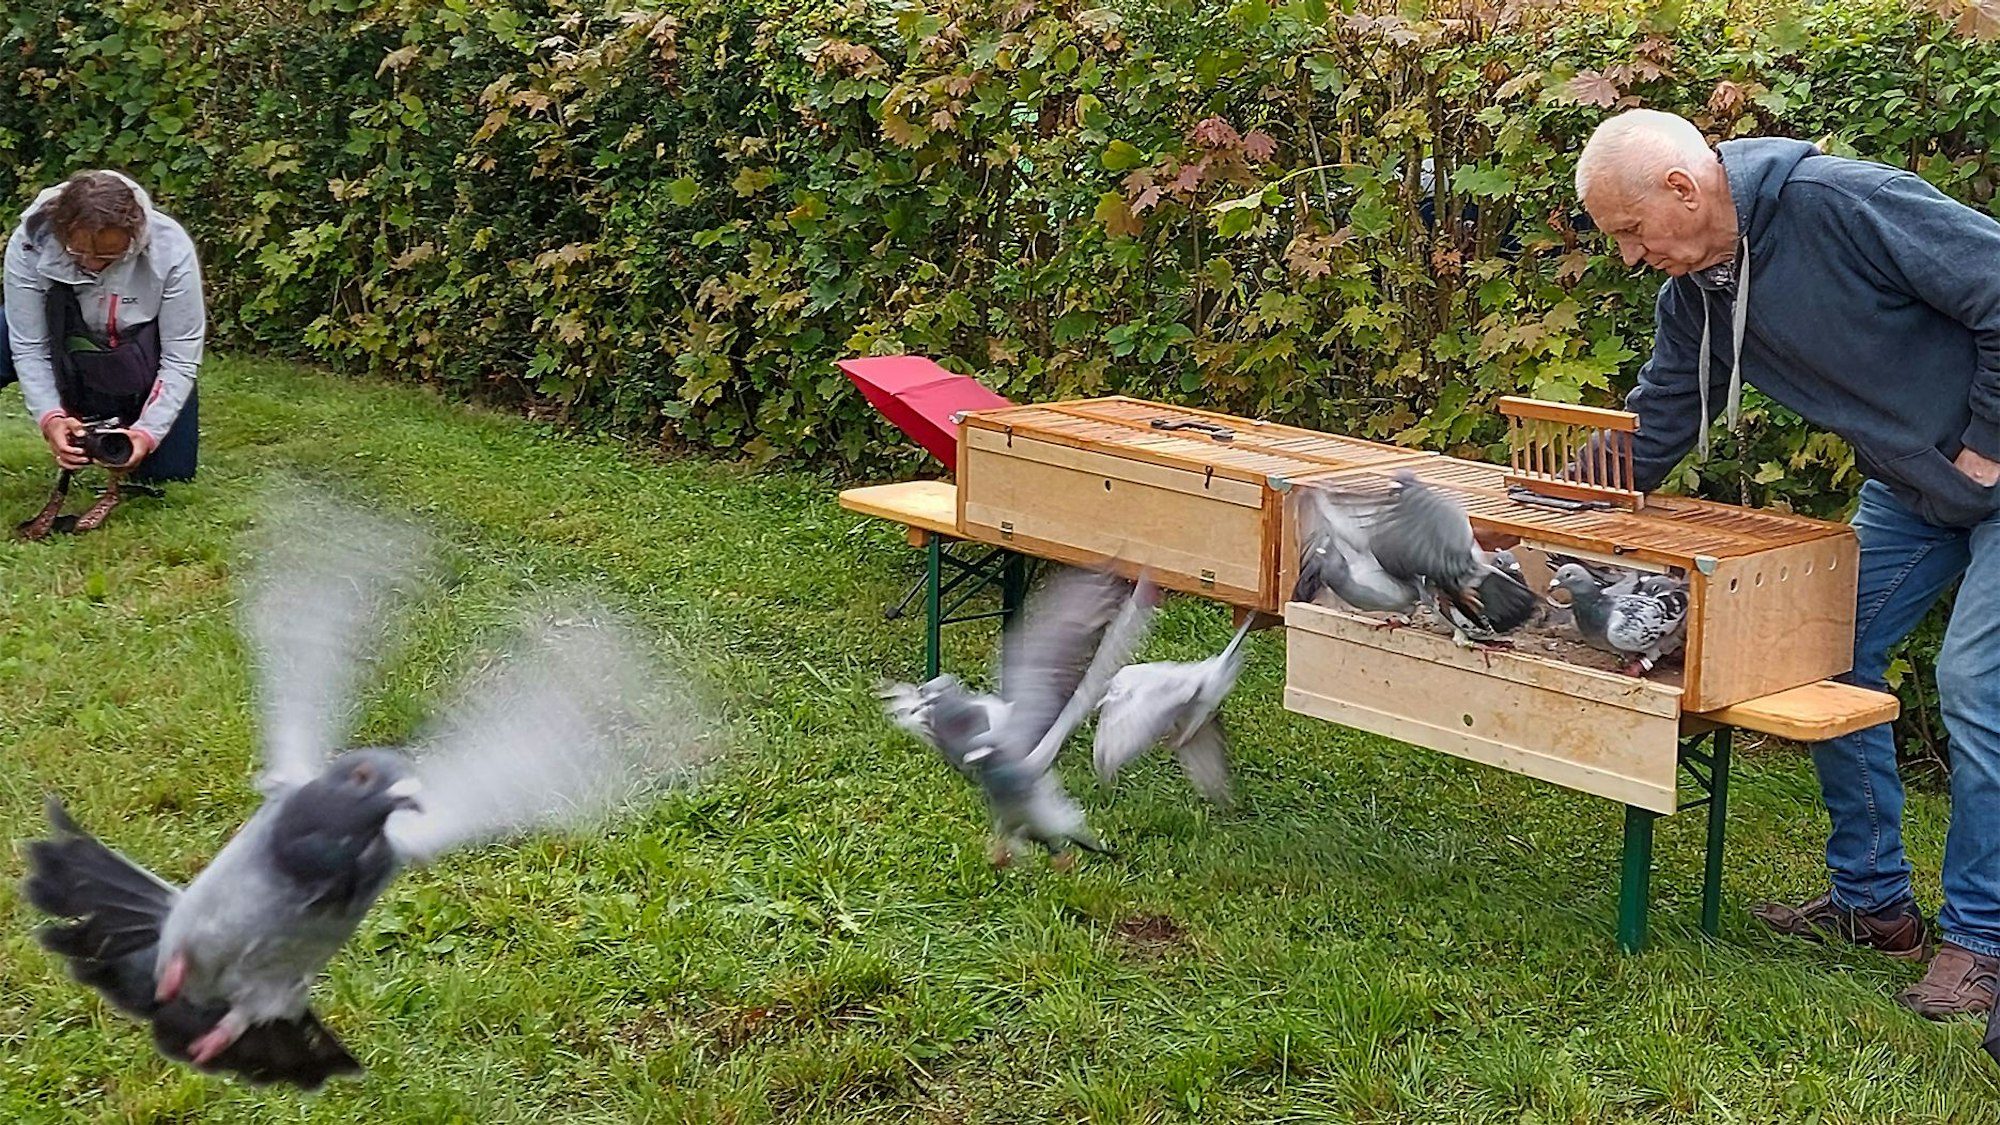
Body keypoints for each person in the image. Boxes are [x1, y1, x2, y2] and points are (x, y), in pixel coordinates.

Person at [1573, 108, 2000, 1019]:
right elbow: (1660, 422)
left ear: (1682, 189)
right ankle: (1874, 904)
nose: (1632, 257)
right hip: (1916, 486)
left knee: (1976, 685)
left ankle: (1982, 940)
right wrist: (1548, 501)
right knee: (1815, 654)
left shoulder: (1844, 203)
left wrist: (1986, 447)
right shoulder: (1695, 292)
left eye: (1632, 232)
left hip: (1987, 462)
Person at [2, 169, 204, 536]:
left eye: (109, 256)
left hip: (137, 357)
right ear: (61, 229)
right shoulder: (29, 242)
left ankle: (130, 421)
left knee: (170, 475)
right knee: (4, 330)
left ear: (135, 235)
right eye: (79, 252)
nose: (93, 265)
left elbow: (180, 356)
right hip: (62, 343)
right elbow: (29, 346)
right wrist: (51, 418)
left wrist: (146, 434)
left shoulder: (171, 247)